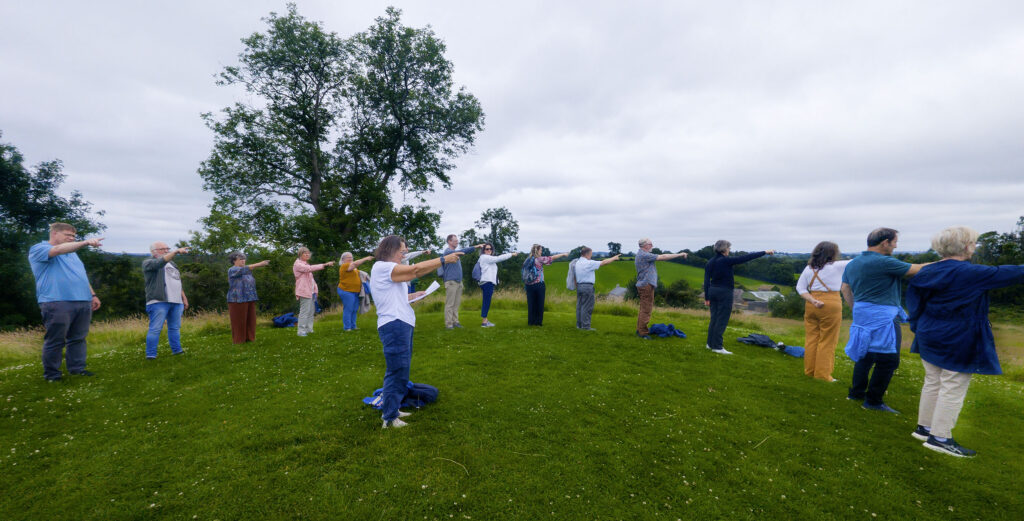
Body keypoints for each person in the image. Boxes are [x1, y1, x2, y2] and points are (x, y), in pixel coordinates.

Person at [906, 226, 1024, 457]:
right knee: (953, 385)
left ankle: (925, 428)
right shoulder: (972, 273)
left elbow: (915, 304)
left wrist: (919, 328)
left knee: (933, 381)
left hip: (928, 332)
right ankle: (940, 438)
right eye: (973, 243)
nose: (975, 247)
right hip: (957, 336)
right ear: (966, 246)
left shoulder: (927, 272)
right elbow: (1015, 272)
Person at [370, 235, 464, 428]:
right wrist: (444, 259)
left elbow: (395, 295)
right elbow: (414, 270)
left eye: (405, 252)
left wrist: (413, 295)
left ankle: (393, 409)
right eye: (402, 252)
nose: (404, 256)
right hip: (394, 324)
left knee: (402, 370)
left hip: (402, 322)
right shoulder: (382, 267)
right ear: (390, 250)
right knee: (396, 370)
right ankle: (388, 418)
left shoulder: (389, 270)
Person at [841, 227, 926, 413]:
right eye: (894, 242)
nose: (895, 246)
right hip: (884, 316)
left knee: (865, 354)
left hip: (862, 313)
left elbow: (845, 288)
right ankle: (873, 401)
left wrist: (855, 309)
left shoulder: (853, 263)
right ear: (885, 242)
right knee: (888, 360)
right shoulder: (884, 262)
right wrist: (945, 263)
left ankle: (856, 393)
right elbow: (915, 270)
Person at [27, 222, 103, 381]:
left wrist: (93, 295)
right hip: (57, 301)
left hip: (82, 300)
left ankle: (77, 369)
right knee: (56, 339)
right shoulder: (39, 248)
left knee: (78, 338)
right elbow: (57, 250)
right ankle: (52, 375)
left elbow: (81, 276)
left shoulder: (73, 254)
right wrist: (85, 242)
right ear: (54, 233)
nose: (71, 238)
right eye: (67, 235)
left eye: (74, 236)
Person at [702, 240, 773, 353]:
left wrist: (707, 297)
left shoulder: (710, 262)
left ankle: (710, 344)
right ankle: (717, 347)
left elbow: (706, 281)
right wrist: (764, 252)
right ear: (725, 249)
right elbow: (746, 257)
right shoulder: (726, 260)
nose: (730, 250)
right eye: (729, 248)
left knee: (714, 319)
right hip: (724, 292)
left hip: (712, 291)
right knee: (722, 319)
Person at [796, 241, 851, 381]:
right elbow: (860, 262)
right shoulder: (837, 266)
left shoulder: (809, 268)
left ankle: (810, 371)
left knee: (812, 338)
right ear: (833, 254)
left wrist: (812, 300)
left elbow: (800, 288)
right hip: (830, 303)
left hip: (811, 303)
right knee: (827, 340)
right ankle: (822, 375)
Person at [142, 242, 190, 359]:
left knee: (174, 327)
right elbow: (160, 262)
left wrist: (183, 297)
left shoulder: (172, 264)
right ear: (154, 251)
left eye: (168, 248)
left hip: (176, 301)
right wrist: (176, 251)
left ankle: (177, 351)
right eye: (163, 249)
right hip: (159, 301)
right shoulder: (148, 262)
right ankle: (151, 355)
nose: (167, 250)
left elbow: (177, 281)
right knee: (155, 328)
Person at [635, 238, 688, 339]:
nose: (652, 246)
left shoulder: (641, 254)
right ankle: (643, 333)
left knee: (644, 309)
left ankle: (640, 330)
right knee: (646, 310)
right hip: (646, 285)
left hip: (644, 284)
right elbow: (663, 256)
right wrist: (680, 254)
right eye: (650, 244)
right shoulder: (644, 254)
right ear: (645, 245)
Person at [572, 247, 621, 330]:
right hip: (587, 287)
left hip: (579, 286)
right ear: (587, 254)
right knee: (587, 307)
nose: (591, 256)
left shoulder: (577, 263)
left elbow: (575, 277)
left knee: (580, 306)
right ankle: (586, 326)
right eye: (591, 254)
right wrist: (614, 258)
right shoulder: (588, 263)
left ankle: (579, 325)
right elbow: (604, 263)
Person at [441, 234, 483, 329]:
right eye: (455, 241)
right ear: (449, 242)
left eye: (457, 240)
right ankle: (449, 324)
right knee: (450, 304)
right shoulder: (448, 252)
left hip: (458, 282)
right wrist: (476, 246)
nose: (457, 242)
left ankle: (455, 322)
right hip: (451, 282)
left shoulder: (455, 253)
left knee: (456, 304)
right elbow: (462, 251)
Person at [227, 252, 270, 343]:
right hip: (237, 299)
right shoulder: (232, 270)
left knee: (251, 320)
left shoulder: (248, 272)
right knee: (239, 321)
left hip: (250, 298)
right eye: (241, 259)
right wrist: (260, 264)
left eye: (244, 259)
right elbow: (246, 269)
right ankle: (239, 340)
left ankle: (250, 338)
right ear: (234, 261)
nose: (243, 261)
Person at [522, 244, 569, 326]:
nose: (541, 252)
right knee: (539, 304)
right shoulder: (539, 259)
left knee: (531, 304)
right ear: (537, 251)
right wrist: (563, 254)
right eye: (541, 250)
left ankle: (531, 321)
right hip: (539, 285)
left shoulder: (527, 260)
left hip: (529, 285)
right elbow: (552, 258)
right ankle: (538, 322)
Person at [293, 247, 334, 337]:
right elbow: (310, 269)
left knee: (311, 311)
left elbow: (311, 280)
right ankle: (301, 331)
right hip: (304, 291)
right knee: (304, 312)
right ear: (300, 254)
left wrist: (315, 290)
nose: (307, 255)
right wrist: (325, 264)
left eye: (308, 253)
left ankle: (309, 329)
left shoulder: (305, 264)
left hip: (311, 292)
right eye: (305, 253)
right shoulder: (298, 264)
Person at [477, 244, 518, 327]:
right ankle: (484, 322)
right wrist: (511, 254)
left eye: (490, 249)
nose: (489, 250)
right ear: (484, 250)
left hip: (487, 282)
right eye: (487, 249)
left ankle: (485, 320)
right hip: (487, 282)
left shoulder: (487, 258)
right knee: (486, 302)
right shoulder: (485, 257)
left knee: (486, 301)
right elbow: (499, 258)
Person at [337, 252, 374, 331]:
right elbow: (354, 264)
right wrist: (365, 258)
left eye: (351, 257)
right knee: (349, 309)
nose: (350, 259)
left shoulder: (354, 268)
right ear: (343, 259)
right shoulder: (344, 266)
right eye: (348, 257)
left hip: (355, 292)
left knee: (354, 309)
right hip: (346, 290)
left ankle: (353, 326)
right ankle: (347, 327)